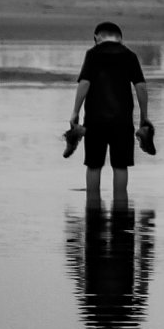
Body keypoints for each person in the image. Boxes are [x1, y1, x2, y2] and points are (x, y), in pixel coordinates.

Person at [67, 21, 152, 200]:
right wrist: (144, 117)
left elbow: (84, 83)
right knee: (121, 166)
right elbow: (141, 88)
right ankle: (121, 212)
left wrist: (75, 111)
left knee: (93, 165)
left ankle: (92, 210)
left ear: (96, 38)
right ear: (120, 38)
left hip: (95, 120)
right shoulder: (129, 55)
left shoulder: (92, 54)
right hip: (122, 121)